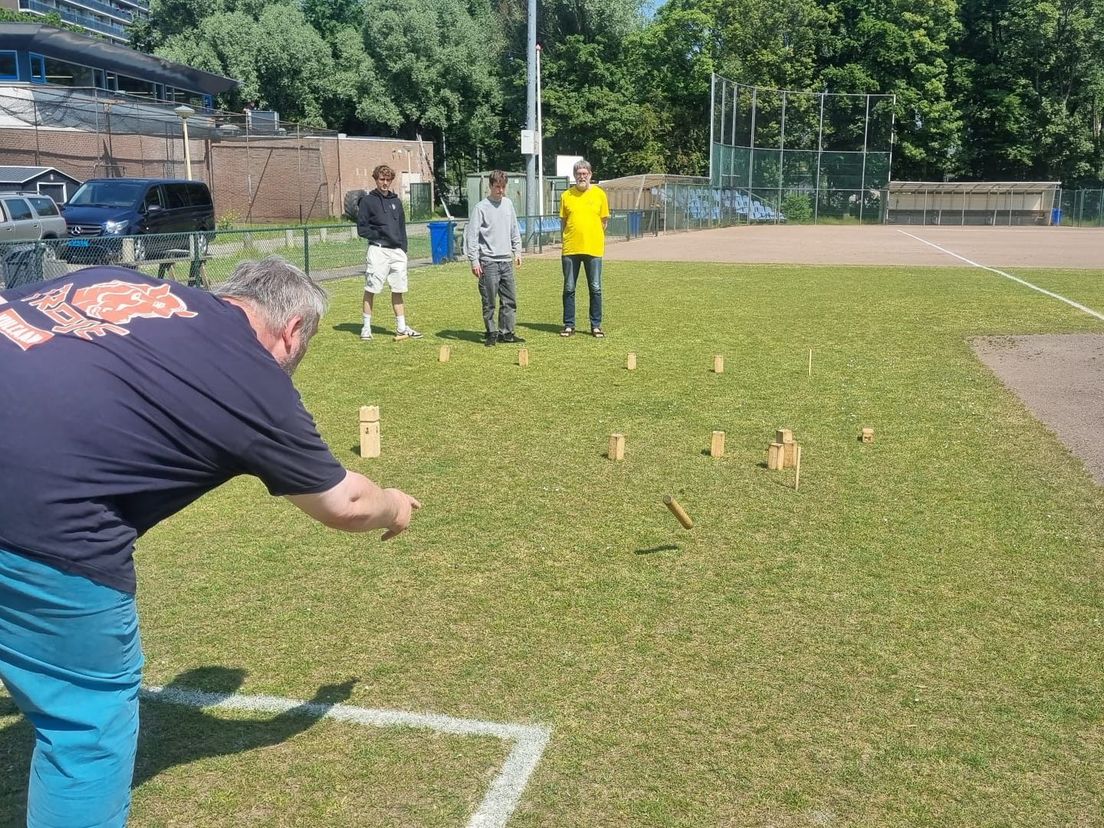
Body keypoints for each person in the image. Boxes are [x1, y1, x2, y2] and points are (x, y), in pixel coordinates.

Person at [0, 256, 420, 827]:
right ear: (293, 331)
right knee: (86, 723)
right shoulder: (252, 377)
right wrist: (394, 503)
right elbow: (345, 504)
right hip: (39, 523)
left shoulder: (114, 278)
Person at [357, 164, 421, 340]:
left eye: (387, 180)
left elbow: (401, 227)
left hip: (397, 252)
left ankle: (401, 327)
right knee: (372, 289)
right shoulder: (367, 201)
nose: (384, 183)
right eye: (381, 179)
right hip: (378, 251)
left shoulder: (396, 201)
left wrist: (403, 249)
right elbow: (362, 229)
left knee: (398, 289)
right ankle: (366, 328)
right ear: (376, 179)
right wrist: (380, 235)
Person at [465, 170, 524, 347]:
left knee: (509, 299)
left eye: (503, 187)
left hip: (506, 261)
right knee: (489, 300)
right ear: (490, 186)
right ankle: (491, 332)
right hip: (488, 262)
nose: (500, 190)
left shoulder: (508, 204)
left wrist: (518, 251)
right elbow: (472, 237)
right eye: (497, 187)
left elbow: (514, 229)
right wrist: (474, 261)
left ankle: (507, 333)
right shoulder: (480, 208)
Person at [558, 158, 610, 338]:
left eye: (585, 173)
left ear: (590, 175)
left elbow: (604, 221)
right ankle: (569, 325)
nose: (582, 176)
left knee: (595, 288)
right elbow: (563, 222)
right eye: (579, 173)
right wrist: (567, 240)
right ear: (574, 175)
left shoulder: (600, 194)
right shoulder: (566, 196)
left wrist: (591, 235)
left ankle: (596, 325)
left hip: (593, 249)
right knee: (569, 288)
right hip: (570, 249)